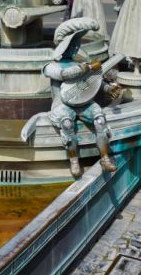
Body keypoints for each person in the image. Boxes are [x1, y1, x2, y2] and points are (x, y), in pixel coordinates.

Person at [44, 18, 122, 177]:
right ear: (62, 47)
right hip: (62, 104)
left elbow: (93, 82)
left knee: (100, 120)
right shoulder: (51, 66)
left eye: (77, 44)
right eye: (72, 44)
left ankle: (105, 158)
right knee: (66, 123)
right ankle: (74, 160)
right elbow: (65, 74)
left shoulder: (81, 63)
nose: (75, 47)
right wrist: (87, 67)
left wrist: (108, 89)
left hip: (84, 102)